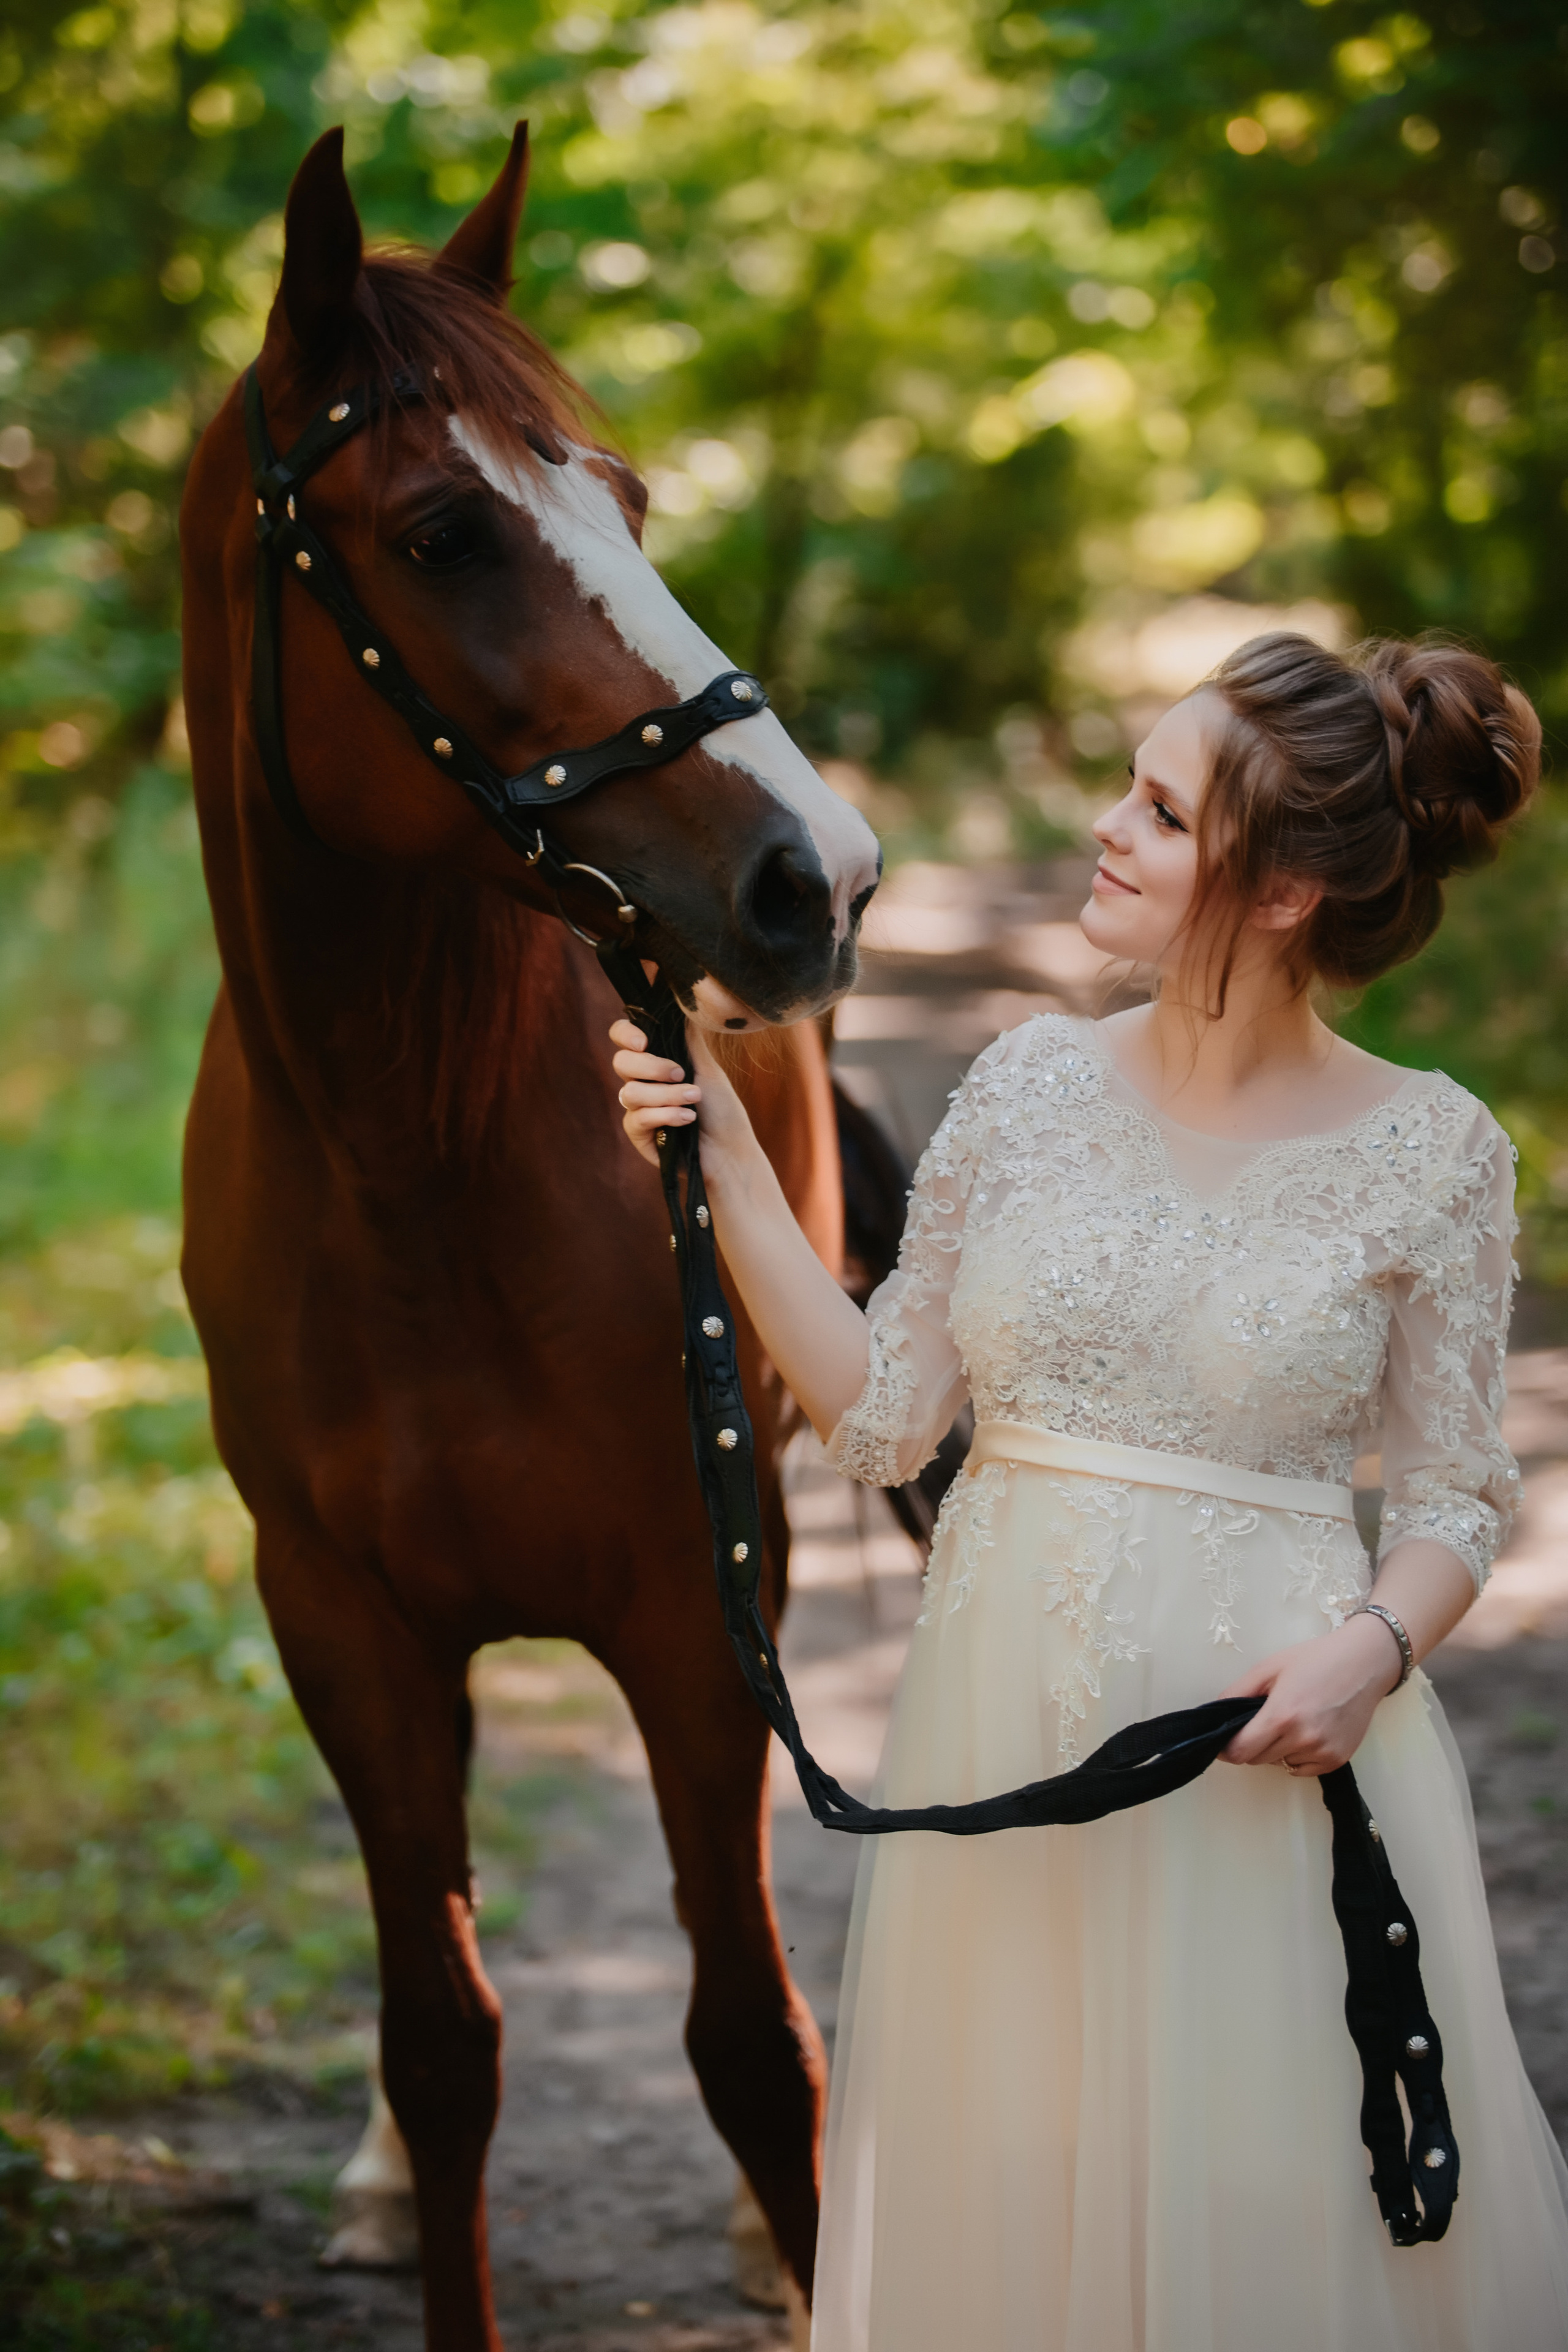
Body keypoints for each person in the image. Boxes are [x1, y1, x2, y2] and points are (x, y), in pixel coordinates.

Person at [610, 633, 1568, 2351]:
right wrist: (732, 1158)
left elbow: (1455, 1502)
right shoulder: (1028, 1089)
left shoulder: (1437, 1149)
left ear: (1279, 889)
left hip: (1270, 1757)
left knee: (1260, 2220)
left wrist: (1373, 1650)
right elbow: (886, 1418)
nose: (1105, 828)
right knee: (1017, 2205)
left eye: (1159, 808)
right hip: (1007, 1744)